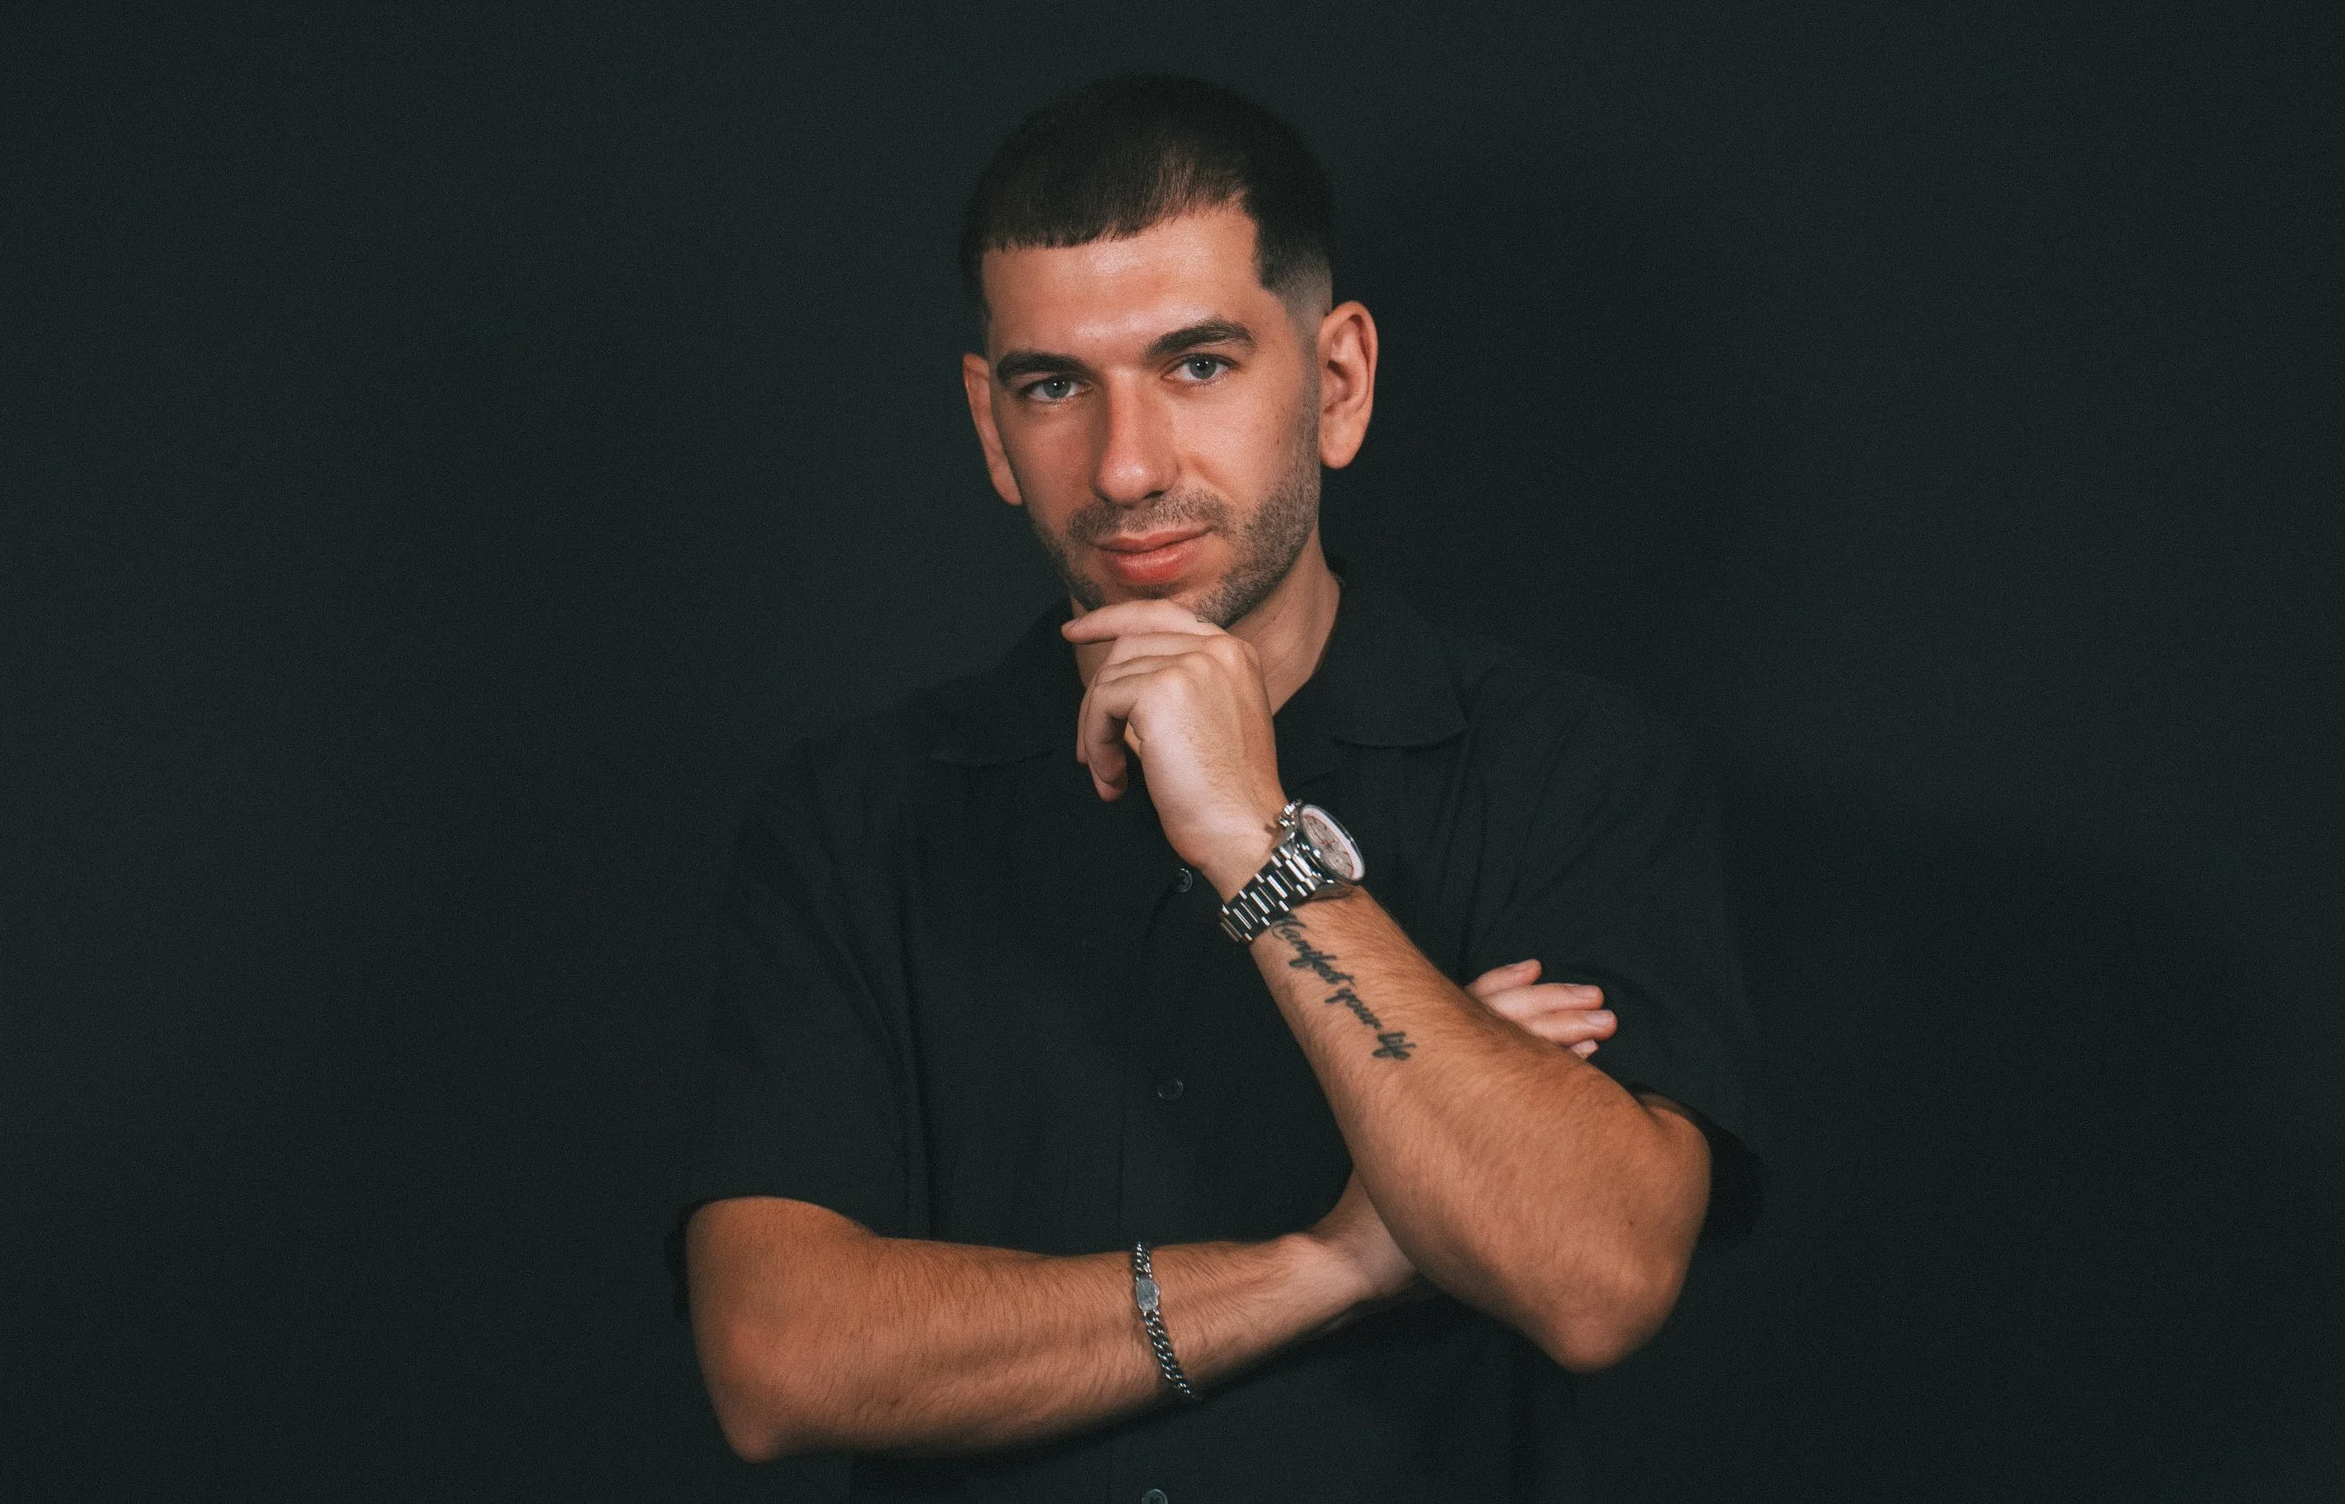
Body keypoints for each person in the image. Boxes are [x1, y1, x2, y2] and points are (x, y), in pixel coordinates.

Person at [675, 74, 1764, 1502]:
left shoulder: (1573, 770)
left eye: (1197, 363)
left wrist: (1256, 842)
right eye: (1055, 385)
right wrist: (1336, 1263)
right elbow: (778, 1360)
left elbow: (1593, 1274)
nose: (1127, 467)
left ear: (1338, 381)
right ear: (990, 428)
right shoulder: (851, 821)